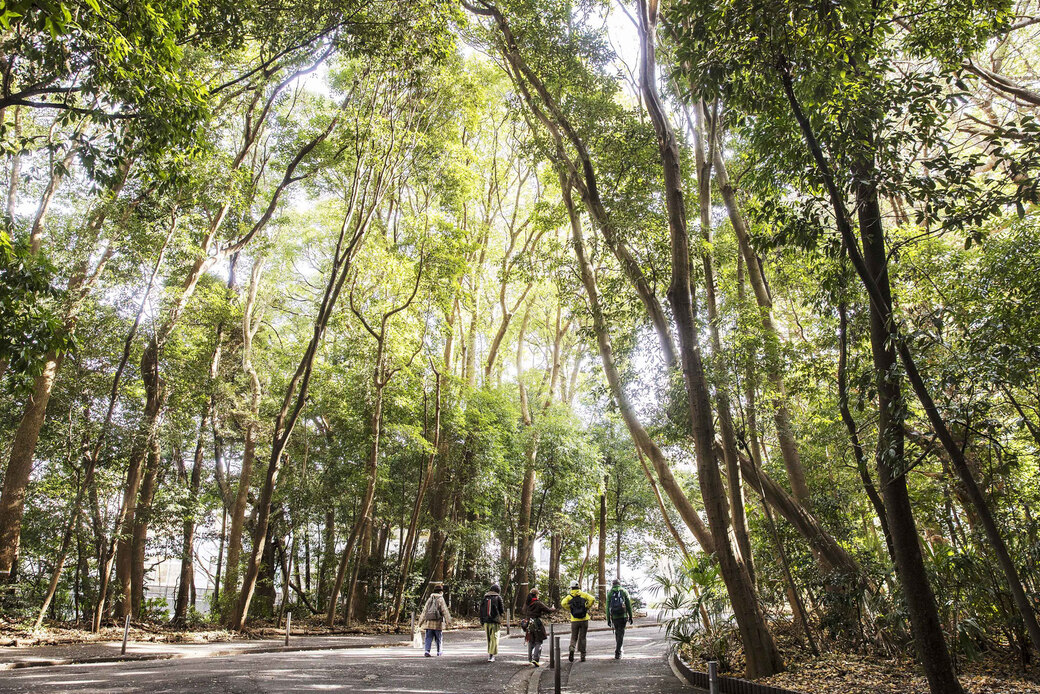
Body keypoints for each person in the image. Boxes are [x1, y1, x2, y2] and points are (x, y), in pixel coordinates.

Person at [560, 581, 596, 662]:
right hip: (584, 619)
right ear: (578, 587)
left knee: (574, 636)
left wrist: (570, 608)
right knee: (582, 637)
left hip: (574, 620)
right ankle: (583, 655)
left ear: (571, 587)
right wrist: (586, 607)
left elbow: (563, 603)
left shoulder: (569, 596)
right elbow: (592, 599)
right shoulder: (583, 594)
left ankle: (572, 648)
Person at [522, 588, 556, 666]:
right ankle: (536, 659)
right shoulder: (538, 603)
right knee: (538, 641)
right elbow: (548, 610)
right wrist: (553, 608)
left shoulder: (527, 603)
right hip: (536, 623)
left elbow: (523, 611)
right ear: (536, 595)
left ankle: (530, 658)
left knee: (531, 640)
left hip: (528, 623)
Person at [420, 583, 451, 657]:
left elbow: (424, 611)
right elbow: (445, 611)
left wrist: (420, 623)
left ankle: (427, 651)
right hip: (438, 623)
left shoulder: (430, 599)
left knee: (428, 638)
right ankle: (439, 651)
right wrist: (448, 622)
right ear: (441, 592)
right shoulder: (440, 599)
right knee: (438, 638)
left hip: (429, 623)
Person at [606, 578, 634, 659]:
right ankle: (618, 651)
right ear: (619, 584)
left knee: (617, 633)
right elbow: (628, 605)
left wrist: (608, 619)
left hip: (614, 617)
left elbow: (607, 607)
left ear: (613, 584)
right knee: (621, 633)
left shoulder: (610, 592)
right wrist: (631, 616)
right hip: (623, 616)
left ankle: (619, 649)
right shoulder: (624, 591)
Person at [479, 583, 506, 662]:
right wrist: (501, 617)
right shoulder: (498, 597)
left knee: (489, 638)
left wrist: (482, 621)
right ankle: (491, 655)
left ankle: (490, 654)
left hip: (486, 622)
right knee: (495, 637)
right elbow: (501, 610)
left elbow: (481, 610)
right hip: (494, 621)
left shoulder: (485, 598)